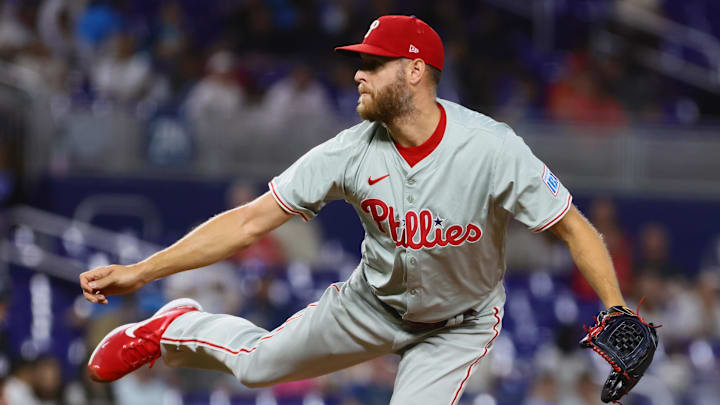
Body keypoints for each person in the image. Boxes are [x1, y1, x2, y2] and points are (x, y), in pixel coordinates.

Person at [80, 15, 628, 404]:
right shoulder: (349, 151)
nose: (358, 74)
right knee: (254, 368)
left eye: (373, 63)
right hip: (373, 304)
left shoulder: (491, 148)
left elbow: (574, 229)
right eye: (359, 64)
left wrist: (616, 308)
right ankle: (173, 328)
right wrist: (142, 271)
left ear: (414, 71)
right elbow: (249, 222)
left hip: (458, 326)